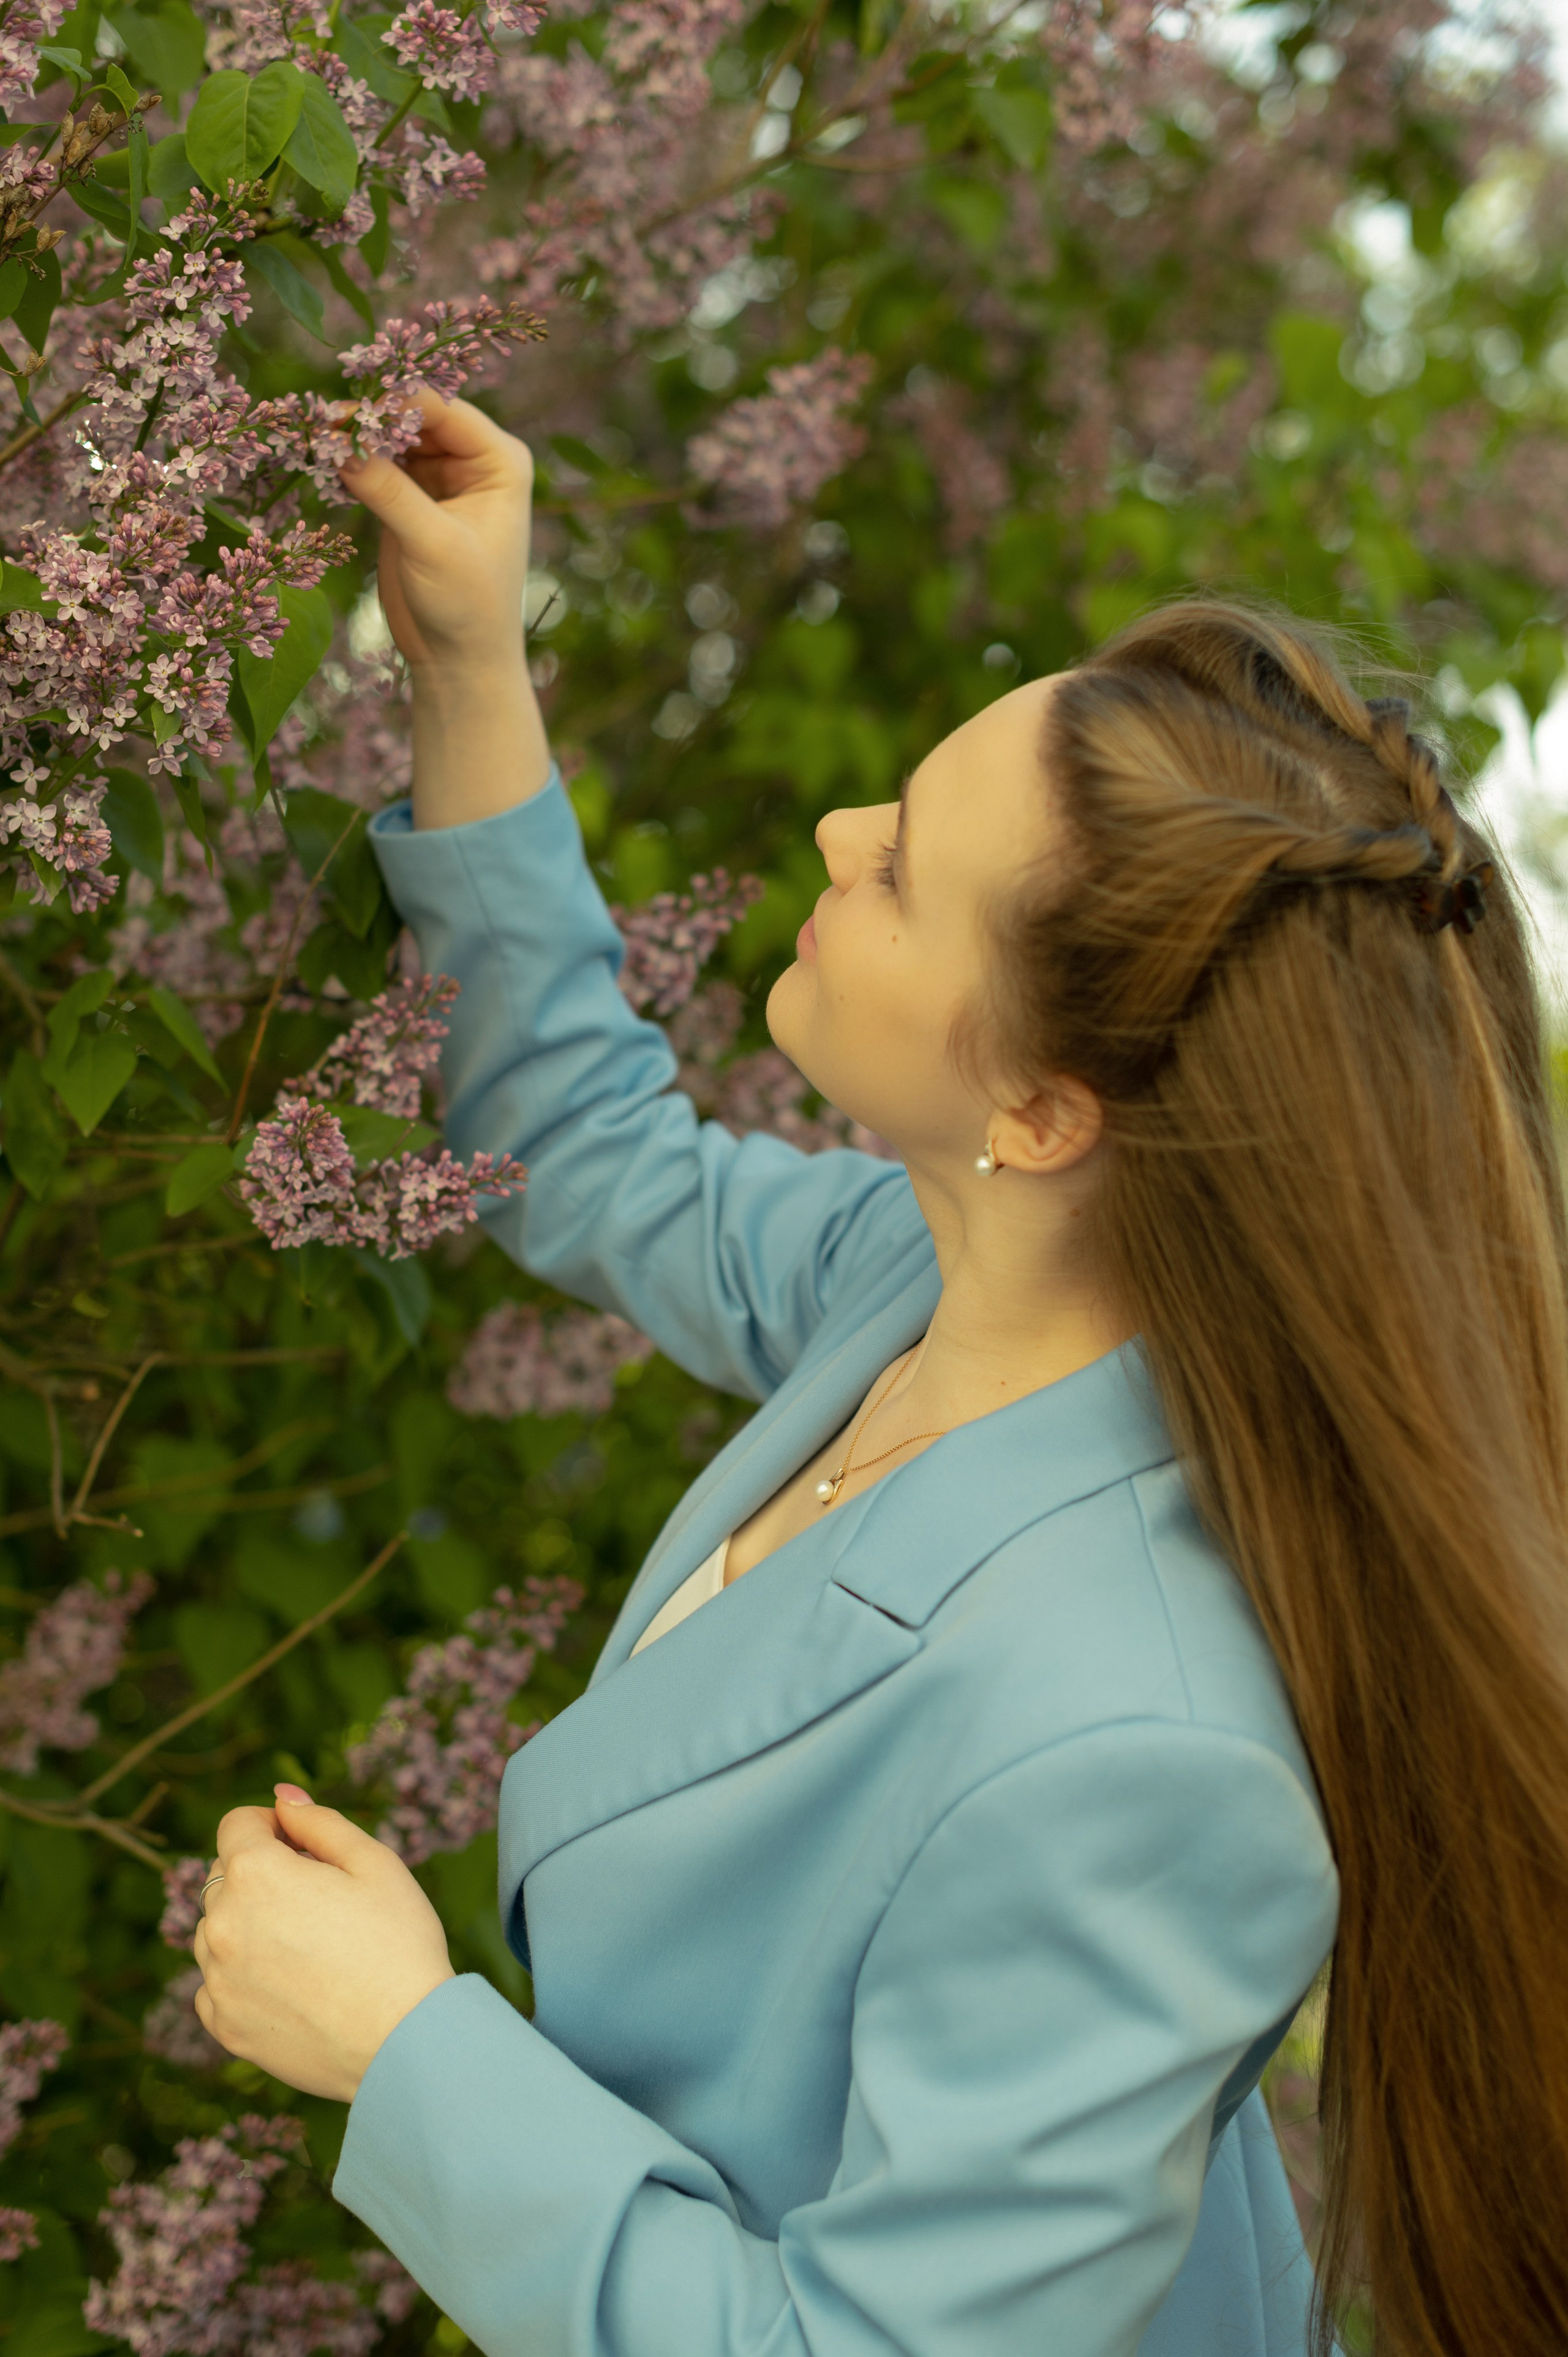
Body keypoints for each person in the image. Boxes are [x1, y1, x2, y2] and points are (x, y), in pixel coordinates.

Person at [190, 393, 1568, 2357]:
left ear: (1041, 1101)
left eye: (907, 868)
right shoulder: (921, 1289)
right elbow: (594, 1153)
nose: (839, 834)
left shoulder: (1145, 1754)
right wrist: (471, 660)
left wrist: (403, 2047)